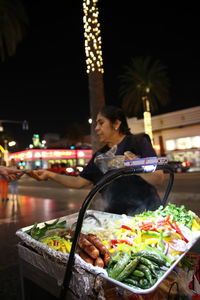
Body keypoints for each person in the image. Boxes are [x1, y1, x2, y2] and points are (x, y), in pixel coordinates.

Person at [29, 105, 164, 216]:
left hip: (146, 215)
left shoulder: (138, 142)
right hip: (114, 220)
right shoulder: (100, 156)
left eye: (101, 123)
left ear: (116, 123)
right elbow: (78, 182)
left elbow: (158, 178)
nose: (96, 128)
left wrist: (133, 164)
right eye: (96, 124)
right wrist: (49, 174)